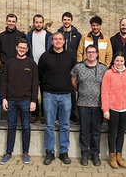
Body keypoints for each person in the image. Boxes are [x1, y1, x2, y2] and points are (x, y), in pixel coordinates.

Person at [0, 38, 38, 165]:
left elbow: (34, 84)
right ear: (16, 47)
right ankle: (8, 152)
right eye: (20, 47)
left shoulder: (32, 64)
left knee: (26, 126)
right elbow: (3, 82)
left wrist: (34, 101)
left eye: (24, 48)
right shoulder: (9, 63)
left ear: (27, 49)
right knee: (11, 126)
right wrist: (3, 98)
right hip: (11, 100)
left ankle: (26, 153)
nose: (22, 49)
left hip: (26, 100)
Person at [38, 32, 75, 165]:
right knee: (49, 125)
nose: (58, 41)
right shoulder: (45, 57)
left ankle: (64, 152)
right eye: (55, 39)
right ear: (52, 41)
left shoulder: (70, 57)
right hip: (49, 95)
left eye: (60, 39)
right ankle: (50, 152)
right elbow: (41, 75)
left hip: (66, 95)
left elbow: (73, 74)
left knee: (65, 124)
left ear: (64, 41)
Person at [71, 45, 107, 166]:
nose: (91, 54)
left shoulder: (103, 68)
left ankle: (95, 155)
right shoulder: (78, 67)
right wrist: (82, 91)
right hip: (83, 104)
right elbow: (73, 82)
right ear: (86, 53)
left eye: (93, 52)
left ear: (97, 54)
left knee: (96, 131)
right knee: (84, 131)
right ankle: (85, 154)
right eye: (88, 52)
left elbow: (107, 86)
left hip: (98, 105)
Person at [101, 51, 126, 169]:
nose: (119, 63)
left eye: (121, 61)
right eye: (117, 61)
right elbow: (104, 92)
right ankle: (112, 155)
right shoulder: (108, 73)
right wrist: (105, 109)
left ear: (124, 61)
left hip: (125, 108)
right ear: (114, 61)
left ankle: (119, 155)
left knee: (121, 134)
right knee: (113, 133)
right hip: (113, 108)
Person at [26, 14, 52, 123]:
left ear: (43, 23)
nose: (38, 24)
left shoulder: (49, 35)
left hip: (45, 68)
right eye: (36, 22)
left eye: (40, 22)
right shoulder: (28, 35)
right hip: (33, 67)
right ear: (33, 23)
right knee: (33, 91)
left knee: (45, 92)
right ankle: (35, 114)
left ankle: (45, 115)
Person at [58, 12, 81, 124]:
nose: (66, 21)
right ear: (62, 21)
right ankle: (59, 114)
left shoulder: (77, 35)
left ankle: (72, 114)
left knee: (72, 90)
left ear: (71, 21)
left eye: (68, 19)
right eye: (64, 19)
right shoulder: (58, 33)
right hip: (60, 65)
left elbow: (79, 50)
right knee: (59, 89)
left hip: (73, 66)